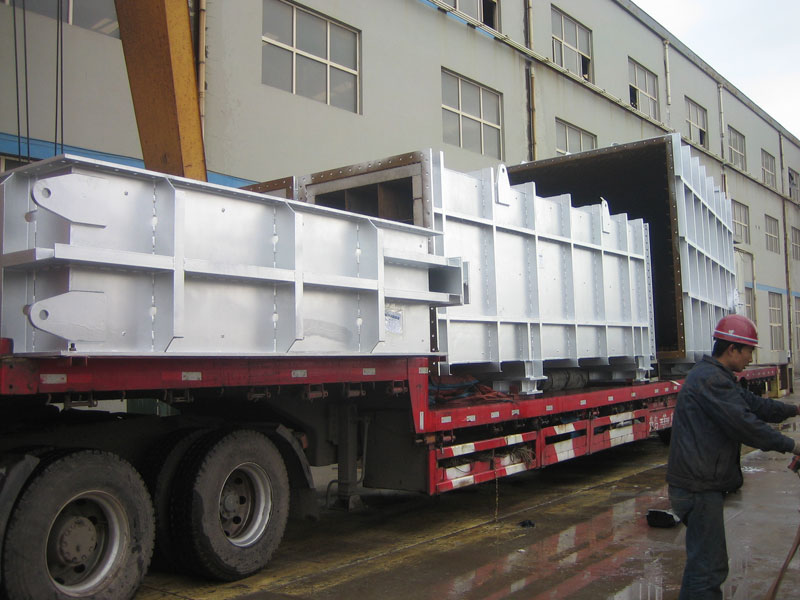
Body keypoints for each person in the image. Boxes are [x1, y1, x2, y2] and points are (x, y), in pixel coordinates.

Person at [666, 313, 800, 600]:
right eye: (749, 351)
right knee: (708, 570)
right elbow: (746, 425)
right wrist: (793, 445)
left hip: (698, 484)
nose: (751, 358)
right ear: (732, 349)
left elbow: (755, 406)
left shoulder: (715, 377)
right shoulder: (711, 381)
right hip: (698, 488)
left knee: (705, 565)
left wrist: (795, 410)